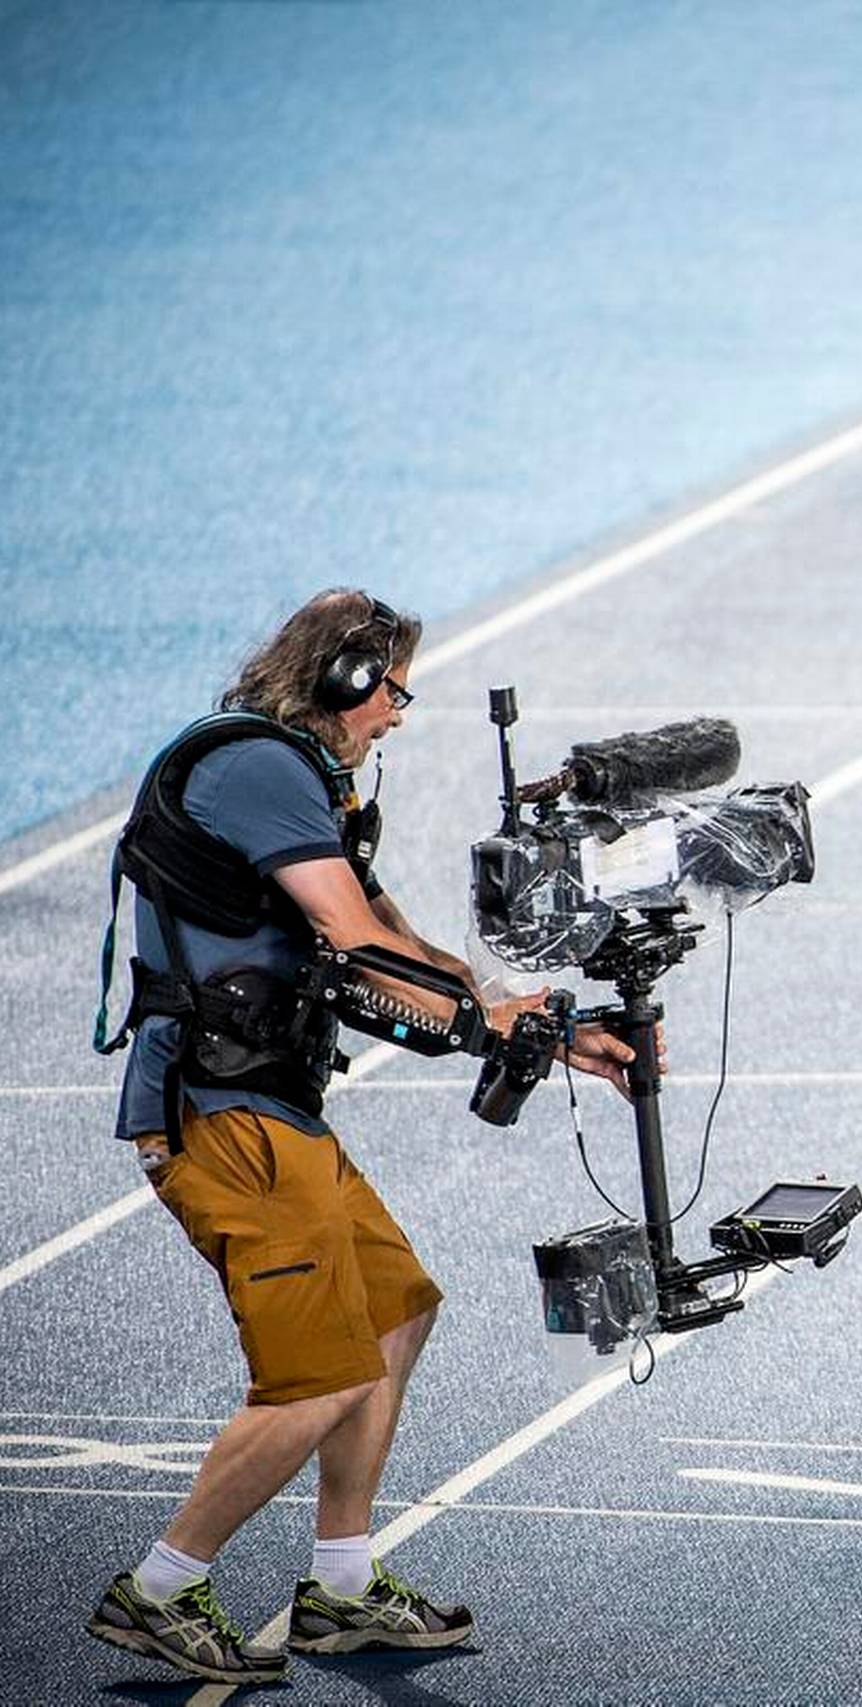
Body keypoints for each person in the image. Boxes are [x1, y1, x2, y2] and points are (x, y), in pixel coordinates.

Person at [85, 590, 639, 1686]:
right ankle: (158, 1592)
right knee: (318, 1379)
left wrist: (530, 1017)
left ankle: (340, 1590)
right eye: (390, 687)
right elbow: (346, 937)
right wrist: (481, 1027)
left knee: (392, 1313)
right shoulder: (255, 769)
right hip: (221, 1110)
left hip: (278, 1106)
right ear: (340, 680)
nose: (398, 711)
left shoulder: (302, 777)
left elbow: (389, 933)